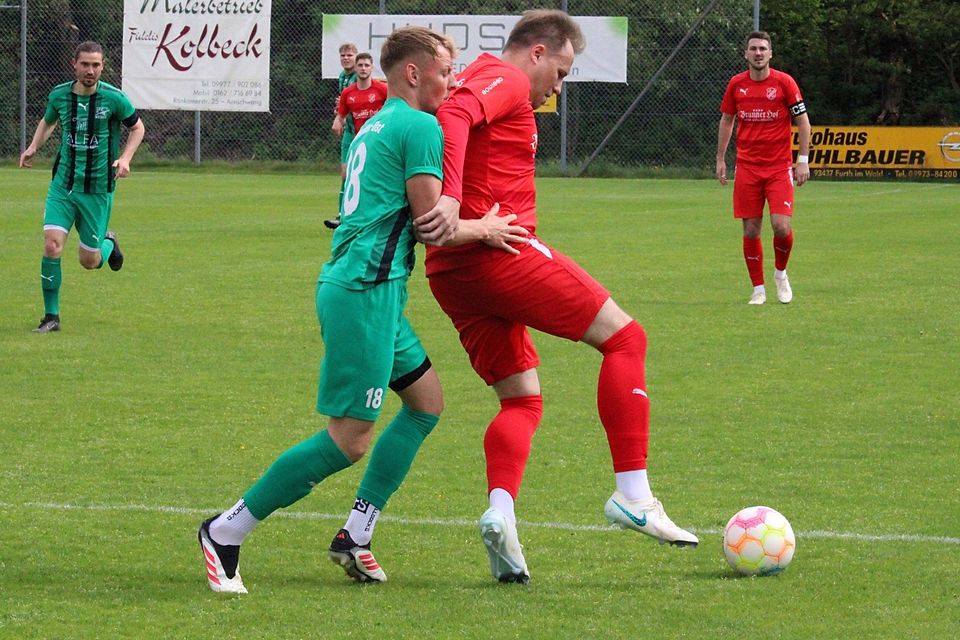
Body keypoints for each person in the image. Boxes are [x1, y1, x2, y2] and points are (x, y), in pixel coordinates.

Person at [198, 26, 528, 594]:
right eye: (446, 72)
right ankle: (226, 531)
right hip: (364, 292)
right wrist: (487, 227)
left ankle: (356, 533)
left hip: (372, 289)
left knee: (425, 404)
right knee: (350, 438)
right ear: (413, 72)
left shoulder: (373, 123)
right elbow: (434, 226)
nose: (452, 83)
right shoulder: (420, 124)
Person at [414, 9, 699, 585]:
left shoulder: (493, 78)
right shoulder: (509, 76)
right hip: (499, 251)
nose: (559, 88)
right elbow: (456, 114)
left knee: (521, 400)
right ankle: (633, 495)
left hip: (450, 271)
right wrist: (451, 199)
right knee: (626, 337)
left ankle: (501, 515)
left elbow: (453, 114)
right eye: (562, 72)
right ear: (538, 52)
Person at [19, 40, 145, 333]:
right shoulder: (60, 95)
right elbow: (48, 121)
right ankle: (51, 317)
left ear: (103, 66)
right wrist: (33, 147)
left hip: (98, 189)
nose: (90, 70)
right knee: (52, 246)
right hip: (63, 186)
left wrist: (125, 159)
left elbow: (137, 128)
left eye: (96, 65)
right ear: (74, 64)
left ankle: (108, 242)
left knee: (89, 261)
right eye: (85, 64)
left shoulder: (115, 99)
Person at [716, 31, 811, 305]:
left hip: (779, 167)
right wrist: (721, 159)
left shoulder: (784, 83)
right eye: (753, 49)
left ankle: (780, 273)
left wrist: (802, 160)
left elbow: (803, 122)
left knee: (781, 226)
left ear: (770, 54)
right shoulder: (736, 85)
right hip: (747, 167)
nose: (758, 53)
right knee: (750, 230)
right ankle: (758, 289)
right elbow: (726, 121)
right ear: (746, 54)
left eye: (763, 49)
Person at [325, 42, 358, 231]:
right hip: (349, 131)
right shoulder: (341, 77)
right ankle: (341, 214)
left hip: (360, 131)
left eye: (350, 55)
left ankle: (354, 215)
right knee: (345, 173)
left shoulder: (360, 78)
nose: (346, 58)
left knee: (358, 174)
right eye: (343, 55)